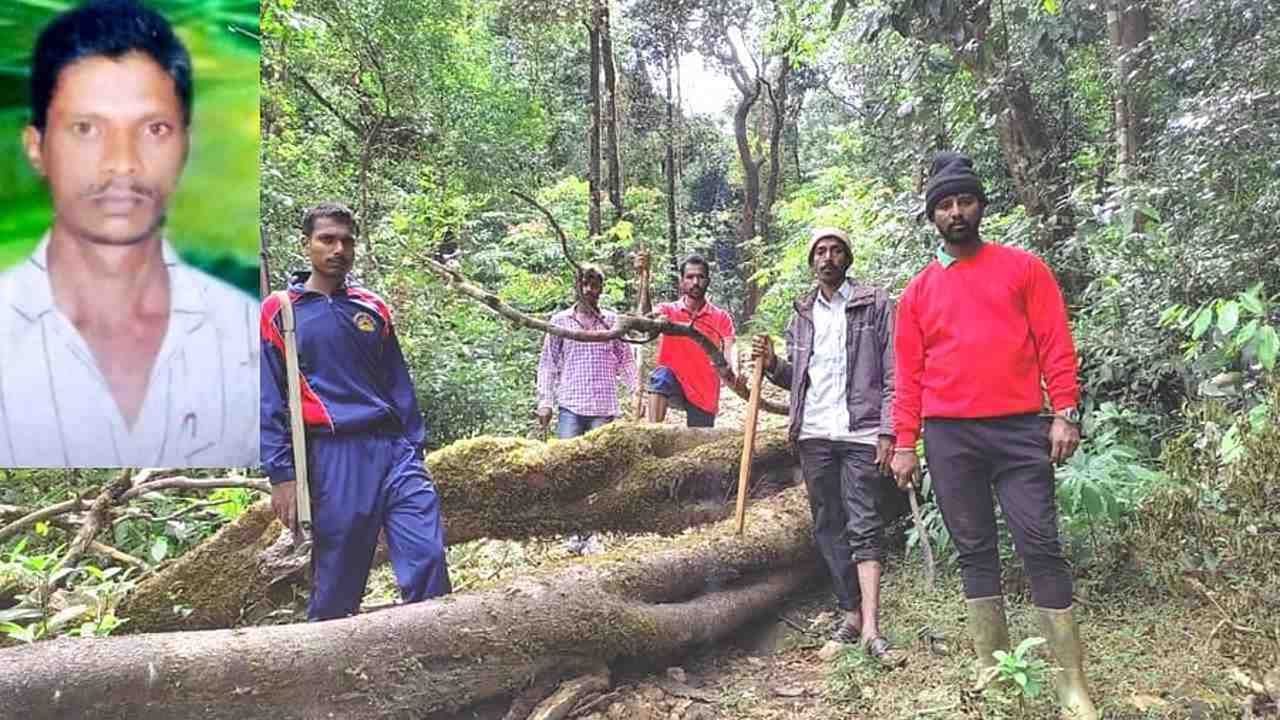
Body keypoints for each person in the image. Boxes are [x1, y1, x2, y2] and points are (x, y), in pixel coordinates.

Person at [0, 0, 257, 467]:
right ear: (36, 147)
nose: (122, 162)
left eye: (154, 129)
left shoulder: (246, 339)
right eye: (86, 128)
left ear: (185, 145)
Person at [890, 152, 1096, 718]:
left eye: (965, 201)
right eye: (945, 205)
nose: (956, 212)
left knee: (1040, 543)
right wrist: (905, 442)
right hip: (950, 437)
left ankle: (1071, 684)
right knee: (974, 549)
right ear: (932, 216)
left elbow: (1055, 342)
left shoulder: (1023, 268)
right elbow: (907, 375)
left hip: (1019, 428)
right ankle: (994, 672)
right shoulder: (918, 292)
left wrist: (1066, 411)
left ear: (980, 205)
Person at [260, 203, 451, 621]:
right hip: (332, 456)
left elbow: (398, 384)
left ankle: (436, 658)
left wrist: (413, 448)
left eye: (347, 240)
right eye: (327, 239)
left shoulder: (371, 307)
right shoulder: (281, 311)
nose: (338, 249)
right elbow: (269, 399)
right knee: (338, 581)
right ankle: (322, 675)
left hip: (393, 450)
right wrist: (283, 476)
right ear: (306, 244)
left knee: (428, 556)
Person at [752, 227, 902, 665]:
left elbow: (894, 373)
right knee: (827, 523)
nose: (828, 258)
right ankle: (849, 611)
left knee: (864, 523)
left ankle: (873, 626)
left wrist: (890, 430)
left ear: (847, 259)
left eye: (836, 251)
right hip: (815, 432)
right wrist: (772, 364)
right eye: (821, 251)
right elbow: (796, 376)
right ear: (811, 261)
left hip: (860, 432)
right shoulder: (802, 312)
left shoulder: (875, 304)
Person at [535, 264, 638, 438]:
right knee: (566, 460)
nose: (589, 290)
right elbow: (548, 364)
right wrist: (545, 403)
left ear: (601, 289)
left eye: (594, 285)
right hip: (571, 406)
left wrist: (636, 392)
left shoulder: (612, 321)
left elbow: (626, 360)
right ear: (576, 286)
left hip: (604, 408)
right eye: (584, 284)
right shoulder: (560, 321)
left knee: (602, 462)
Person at [644, 255, 736, 428]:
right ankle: (652, 433)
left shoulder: (721, 317)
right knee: (661, 376)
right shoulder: (667, 311)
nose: (695, 282)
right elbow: (646, 319)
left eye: (700, 277)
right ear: (682, 281)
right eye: (690, 277)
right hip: (674, 382)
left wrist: (732, 372)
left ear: (708, 281)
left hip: (704, 391)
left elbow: (729, 351)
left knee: (700, 448)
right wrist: (644, 280)